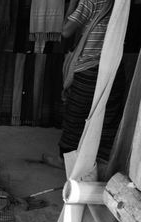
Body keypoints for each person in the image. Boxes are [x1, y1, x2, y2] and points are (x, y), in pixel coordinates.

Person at [42, 0, 124, 170]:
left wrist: (72, 2)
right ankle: (102, 164)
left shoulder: (91, 1)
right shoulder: (122, 2)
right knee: (108, 116)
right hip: (115, 64)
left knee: (76, 116)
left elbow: (66, 31)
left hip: (90, 66)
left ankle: (64, 160)